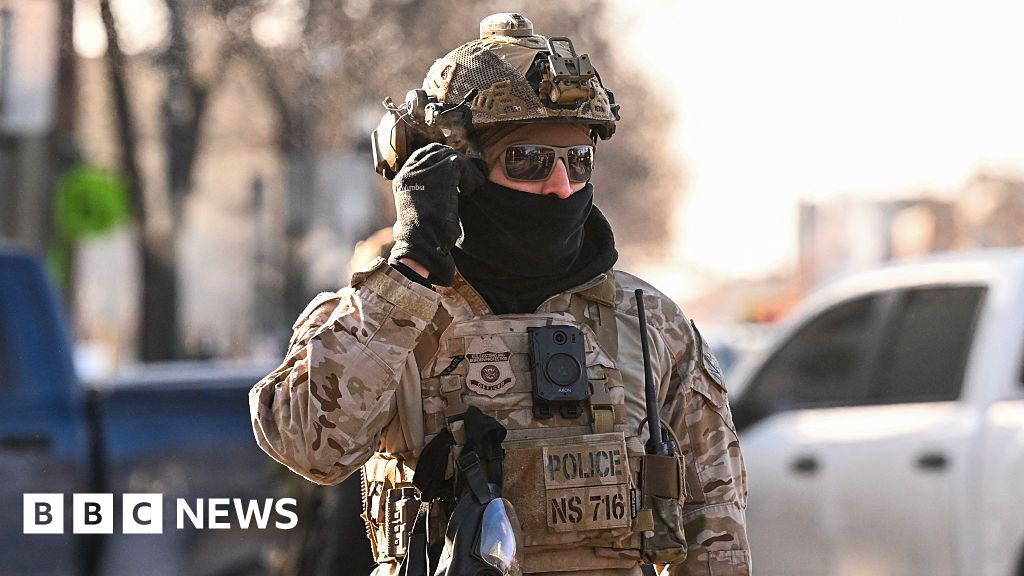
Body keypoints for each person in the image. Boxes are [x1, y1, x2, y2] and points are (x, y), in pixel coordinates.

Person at [250, 13, 750, 576]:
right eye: (528, 160)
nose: (561, 185)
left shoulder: (651, 323)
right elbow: (308, 448)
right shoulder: (389, 317)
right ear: (455, 170)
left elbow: (718, 540)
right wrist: (410, 271)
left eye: (578, 161)